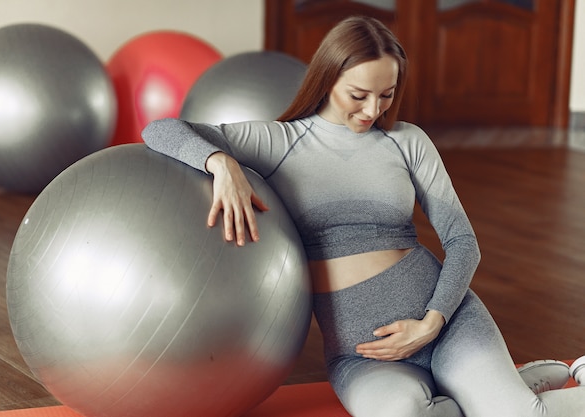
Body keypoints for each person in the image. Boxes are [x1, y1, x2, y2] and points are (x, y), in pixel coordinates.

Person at [142, 15, 585, 417]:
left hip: (447, 324)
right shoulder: (280, 142)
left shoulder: (407, 141)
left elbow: (463, 241)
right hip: (362, 354)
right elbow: (159, 129)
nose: (373, 111)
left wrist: (431, 322)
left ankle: (518, 393)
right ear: (327, 79)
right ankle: (507, 388)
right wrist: (220, 161)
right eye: (359, 95)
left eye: (386, 95)